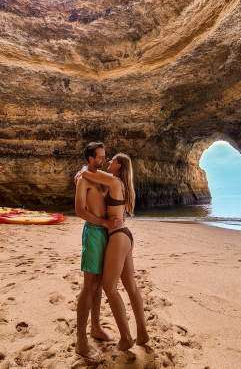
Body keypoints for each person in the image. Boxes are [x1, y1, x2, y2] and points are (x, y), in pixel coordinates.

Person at [78, 153, 149, 352]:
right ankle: (142, 333)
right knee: (131, 286)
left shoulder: (113, 180)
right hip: (126, 236)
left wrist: (80, 172)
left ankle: (126, 338)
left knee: (109, 288)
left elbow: (88, 172)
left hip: (117, 236)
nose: (109, 162)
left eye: (113, 161)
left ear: (119, 166)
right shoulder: (120, 184)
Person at [74, 142, 124, 360]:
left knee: (101, 281)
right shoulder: (83, 180)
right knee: (89, 284)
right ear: (90, 158)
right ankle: (81, 340)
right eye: (100, 157)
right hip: (94, 232)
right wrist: (103, 223)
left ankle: (95, 327)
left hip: (107, 234)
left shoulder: (101, 177)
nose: (104, 160)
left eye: (105, 157)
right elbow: (79, 212)